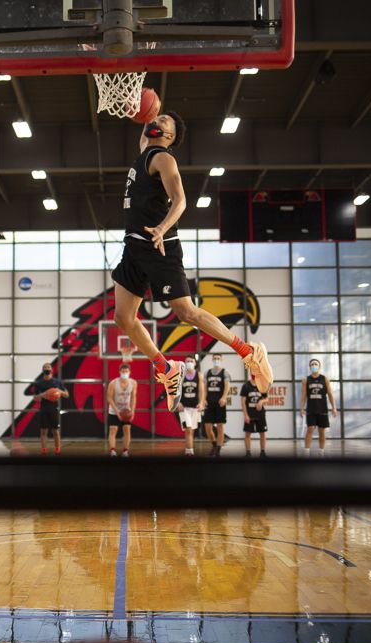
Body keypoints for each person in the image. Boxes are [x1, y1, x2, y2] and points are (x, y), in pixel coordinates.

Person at [112, 112, 273, 413]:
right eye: (157, 117)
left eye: (164, 120)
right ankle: (166, 368)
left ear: (169, 136)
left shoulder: (163, 158)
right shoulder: (145, 150)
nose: (157, 120)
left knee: (186, 312)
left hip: (160, 244)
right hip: (135, 245)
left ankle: (248, 351)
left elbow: (181, 199)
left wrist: (162, 227)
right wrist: (147, 104)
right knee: (123, 318)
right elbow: (146, 128)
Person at [300, 358, 338, 457]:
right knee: (310, 429)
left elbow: (330, 394)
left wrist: (334, 407)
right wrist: (301, 408)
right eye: (312, 364)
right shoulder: (306, 380)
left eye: (315, 364)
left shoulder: (325, 379)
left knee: (322, 431)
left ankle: (321, 451)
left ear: (319, 366)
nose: (314, 365)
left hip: (322, 409)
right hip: (311, 409)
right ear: (310, 367)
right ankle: (306, 451)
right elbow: (303, 395)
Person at [32, 362, 69, 455]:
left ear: (52, 370)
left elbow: (66, 395)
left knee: (55, 431)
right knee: (43, 432)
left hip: (54, 408)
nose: (47, 368)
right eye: (45, 367)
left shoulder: (57, 382)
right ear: (42, 370)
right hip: (44, 408)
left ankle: (58, 451)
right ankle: (44, 452)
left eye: (48, 367)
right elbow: (35, 398)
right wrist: (43, 394)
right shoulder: (38, 383)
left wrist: (58, 391)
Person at [203, 352, 231, 457]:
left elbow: (227, 386)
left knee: (220, 427)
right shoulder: (207, 373)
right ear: (212, 359)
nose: (216, 360)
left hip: (220, 403)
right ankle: (214, 445)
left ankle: (218, 449)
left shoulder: (225, 372)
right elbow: (204, 388)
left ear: (221, 359)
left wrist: (224, 397)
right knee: (208, 427)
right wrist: (203, 399)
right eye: (215, 358)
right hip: (209, 403)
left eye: (218, 358)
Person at [107, 363, 137, 457]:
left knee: (127, 429)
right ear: (119, 372)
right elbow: (109, 398)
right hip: (114, 410)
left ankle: (125, 451)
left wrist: (132, 411)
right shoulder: (113, 383)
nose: (125, 373)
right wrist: (117, 412)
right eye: (123, 371)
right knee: (113, 430)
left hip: (126, 410)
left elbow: (133, 397)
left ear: (130, 372)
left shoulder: (133, 383)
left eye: (126, 371)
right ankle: (112, 450)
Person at [177, 356, 205, 456]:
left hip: (195, 407)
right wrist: (178, 402)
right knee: (188, 429)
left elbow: (202, 391)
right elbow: (176, 391)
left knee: (191, 431)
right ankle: (189, 452)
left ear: (195, 363)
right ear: (184, 363)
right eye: (187, 361)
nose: (189, 362)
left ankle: (188, 449)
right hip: (184, 407)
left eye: (191, 361)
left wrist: (201, 403)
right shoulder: (181, 375)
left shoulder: (199, 375)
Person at [241, 374, 268, 458]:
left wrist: (261, 402)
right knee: (247, 433)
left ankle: (263, 452)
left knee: (262, 433)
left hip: (260, 413)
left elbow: (267, 399)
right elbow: (243, 402)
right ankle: (248, 452)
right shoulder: (246, 386)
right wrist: (245, 415)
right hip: (250, 413)